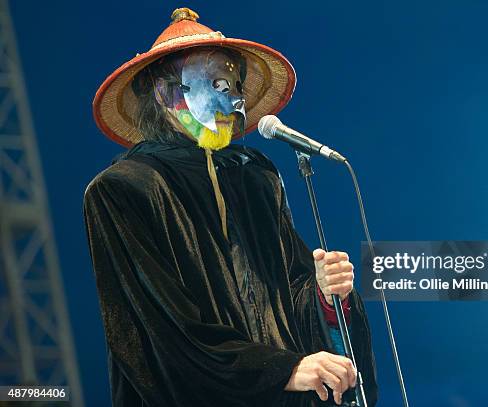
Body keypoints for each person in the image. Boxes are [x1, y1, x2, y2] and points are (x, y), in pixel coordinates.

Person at [85, 7, 377, 406]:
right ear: (165, 91)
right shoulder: (124, 189)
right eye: (217, 82)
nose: (233, 97)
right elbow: (160, 330)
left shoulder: (255, 176)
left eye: (235, 83)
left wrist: (324, 296)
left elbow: (287, 296)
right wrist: (281, 370)